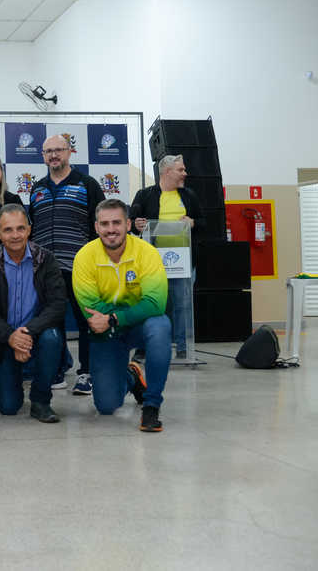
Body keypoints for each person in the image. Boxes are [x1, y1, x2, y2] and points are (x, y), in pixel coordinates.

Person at [72, 199, 171, 432]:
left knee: (160, 326)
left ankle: (151, 405)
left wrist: (114, 318)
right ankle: (131, 376)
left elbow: (156, 304)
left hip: (135, 327)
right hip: (105, 332)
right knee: (107, 406)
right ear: (96, 227)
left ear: (128, 224)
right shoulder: (84, 257)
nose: (111, 229)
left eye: (116, 222)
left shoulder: (147, 252)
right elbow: (91, 309)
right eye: (105, 224)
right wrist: (112, 320)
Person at [29, 134, 105, 395]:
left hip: (80, 268)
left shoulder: (87, 184)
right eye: (48, 151)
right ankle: (57, 369)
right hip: (45, 270)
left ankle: (87, 373)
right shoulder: (37, 188)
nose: (53, 155)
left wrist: (96, 262)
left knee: (87, 320)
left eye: (58, 150)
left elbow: (100, 226)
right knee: (53, 320)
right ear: (43, 156)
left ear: (69, 152)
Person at [0, 205, 66, 423]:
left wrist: (27, 333)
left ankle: (41, 400)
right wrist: (11, 336)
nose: (15, 235)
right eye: (8, 230)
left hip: (38, 333)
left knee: (53, 337)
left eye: (20, 228)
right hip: (4, 339)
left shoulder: (46, 259)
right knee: (8, 407)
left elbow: (57, 304)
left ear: (29, 229)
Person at [130, 154, 204, 359]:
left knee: (183, 305)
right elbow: (131, 221)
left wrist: (193, 222)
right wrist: (136, 224)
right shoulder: (145, 195)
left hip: (183, 263)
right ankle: (144, 347)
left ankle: (183, 347)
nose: (185, 173)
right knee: (150, 304)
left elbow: (204, 222)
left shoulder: (189, 196)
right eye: (181, 170)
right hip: (152, 265)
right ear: (167, 172)